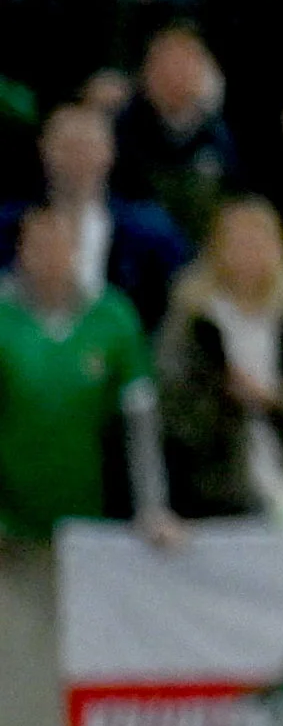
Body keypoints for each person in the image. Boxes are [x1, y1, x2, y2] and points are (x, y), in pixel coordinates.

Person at [156, 196, 283, 519]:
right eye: (237, 243)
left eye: (258, 243)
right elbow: (175, 405)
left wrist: (278, 402)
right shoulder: (192, 320)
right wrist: (223, 397)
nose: (248, 254)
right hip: (215, 493)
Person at [2, 198, 165, 539]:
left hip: (93, 512)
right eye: (39, 246)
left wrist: (152, 507)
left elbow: (140, 418)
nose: (50, 257)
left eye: (60, 244)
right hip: (12, 517)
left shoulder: (113, 316)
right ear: (21, 251)